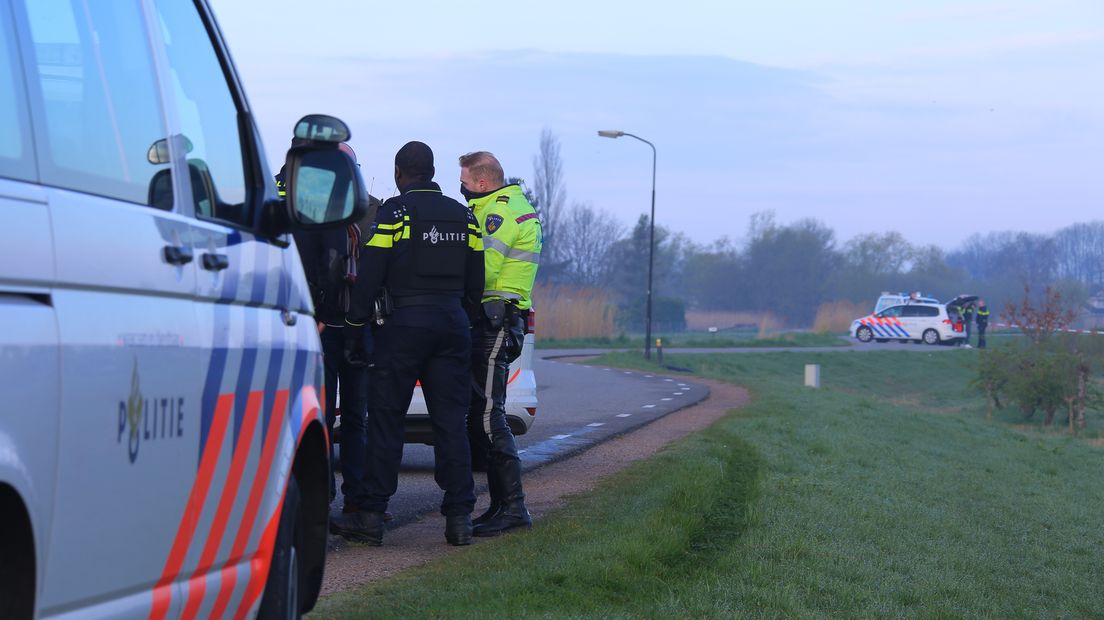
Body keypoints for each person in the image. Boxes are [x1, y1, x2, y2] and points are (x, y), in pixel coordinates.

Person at [332, 141, 484, 546]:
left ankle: (371, 516)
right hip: (452, 324)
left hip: (402, 327)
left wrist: (353, 326)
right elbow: (476, 281)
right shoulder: (462, 215)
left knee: (386, 420)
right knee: (451, 423)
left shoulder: (394, 214)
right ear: (432, 172)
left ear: (400, 173)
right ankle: (459, 518)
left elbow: (370, 274)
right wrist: (461, 320)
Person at [281, 142, 377, 516]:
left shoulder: (370, 209)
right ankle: (325, 496)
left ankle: (353, 497)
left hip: (353, 326)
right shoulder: (309, 207)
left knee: (352, 416)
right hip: (327, 326)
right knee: (324, 415)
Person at [458, 151, 542, 537]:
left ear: (481, 181)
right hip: (500, 319)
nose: (461, 188)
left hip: (496, 321)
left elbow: (483, 266)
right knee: (483, 413)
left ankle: (513, 508)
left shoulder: (499, 211)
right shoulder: (507, 204)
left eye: (464, 181)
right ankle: (499, 506)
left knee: (490, 415)